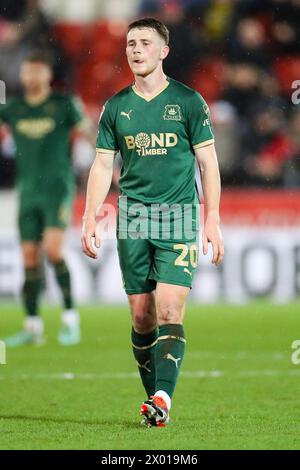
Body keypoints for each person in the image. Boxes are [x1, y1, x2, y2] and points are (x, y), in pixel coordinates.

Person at [81, 18, 224, 427]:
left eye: (144, 43)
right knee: (142, 317)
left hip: (179, 216)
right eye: (130, 43)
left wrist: (212, 218)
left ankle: (162, 396)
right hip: (134, 219)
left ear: (164, 51)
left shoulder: (189, 101)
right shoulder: (116, 106)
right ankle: (156, 402)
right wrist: (90, 216)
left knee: (169, 308)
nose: (135, 49)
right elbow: (102, 164)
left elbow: (208, 163)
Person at [0, 51, 95, 347]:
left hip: (57, 189)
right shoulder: (13, 109)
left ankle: (70, 319)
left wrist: (106, 165)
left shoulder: (64, 104)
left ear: (48, 76)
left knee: (53, 251)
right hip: (27, 191)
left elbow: (88, 134)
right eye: (28, 72)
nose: (32, 77)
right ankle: (32, 326)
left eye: (38, 72)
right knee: (29, 258)